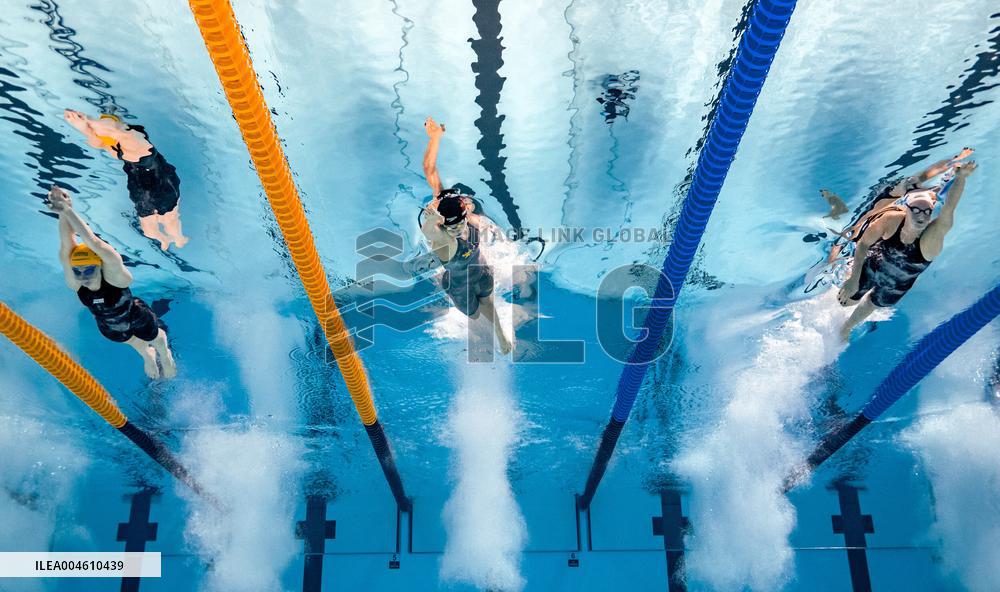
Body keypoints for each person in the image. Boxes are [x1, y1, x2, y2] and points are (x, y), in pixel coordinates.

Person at [836, 161, 977, 341]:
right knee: (846, 301)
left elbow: (949, 209)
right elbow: (863, 244)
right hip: (874, 264)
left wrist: (962, 178)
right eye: (917, 210)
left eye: (927, 212)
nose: (921, 216)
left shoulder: (930, 240)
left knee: (874, 302)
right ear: (906, 209)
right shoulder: (891, 220)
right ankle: (846, 279)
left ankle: (846, 327)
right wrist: (852, 279)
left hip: (897, 283)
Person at [46, 185, 177, 379]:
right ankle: (147, 357)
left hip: (137, 317)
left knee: (157, 338)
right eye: (78, 271)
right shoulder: (76, 284)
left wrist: (68, 210)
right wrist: (62, 212)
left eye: (89, 269)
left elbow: (94, 243)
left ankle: (164, 355)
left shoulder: (117, 278)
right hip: (110, 328)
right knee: (137, 344)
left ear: (99, 266)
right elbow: (67, 246)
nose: (83, 276)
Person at [420, 116, 513, 355]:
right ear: (443, 224)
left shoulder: (469, 215)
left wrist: (435, 138)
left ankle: (500, 334)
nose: (458, 230)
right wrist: (432, 221)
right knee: (474, 315)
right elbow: (427, 230)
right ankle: (483, 337)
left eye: (459, 225)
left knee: (488, 302)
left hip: (481, 269)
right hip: (459, 283)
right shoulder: (440, 239)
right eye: (452, 228)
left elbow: (430, 169)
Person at [63, 109, 188, 250]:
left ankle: (178, 237)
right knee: (149, 232)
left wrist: (88, 119)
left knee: (169, 219)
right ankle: (163, 238)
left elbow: (114, 130)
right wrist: (82, 126)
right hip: (140, 189)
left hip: (162, 184)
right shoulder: (112, 144)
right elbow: (96, 139)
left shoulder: (134, 138)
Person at [828, 147, 974, 263]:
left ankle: (953, 167)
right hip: (902, 203)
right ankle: (953, 168)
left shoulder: (905, 195)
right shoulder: (922, 196)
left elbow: (928, 174)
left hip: (900, 202)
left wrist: (955, 160)